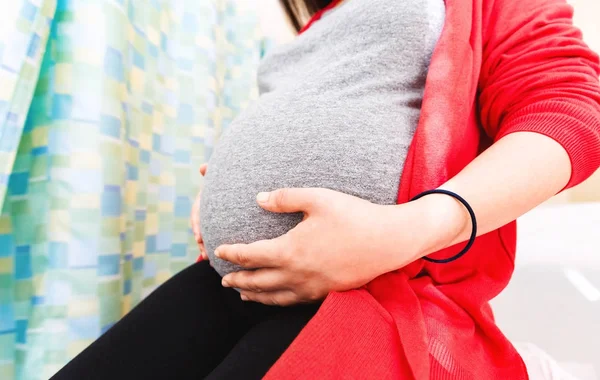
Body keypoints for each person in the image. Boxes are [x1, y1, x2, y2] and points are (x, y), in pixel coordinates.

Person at [53, 0, 600, 379]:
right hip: (241, 283)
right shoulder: (321, 21)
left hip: (378, 292)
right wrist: (229, 178)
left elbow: (573, 112)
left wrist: (409, 227)